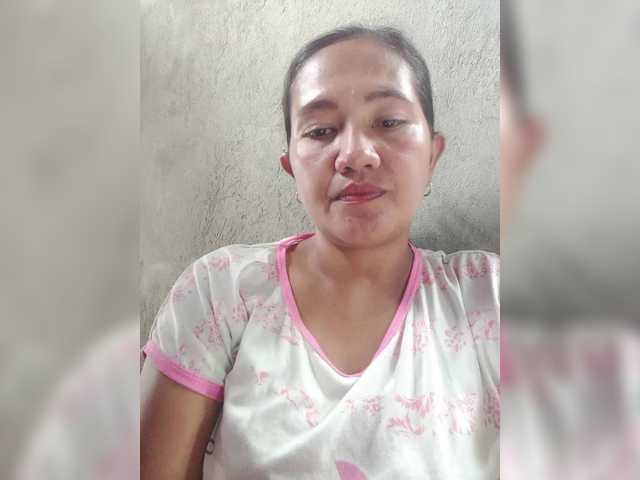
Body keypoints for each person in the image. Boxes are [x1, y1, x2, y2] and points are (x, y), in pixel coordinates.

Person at [140, 25, 499, 479]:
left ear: (432, 154)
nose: (356, 155)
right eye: (321, 130)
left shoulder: (489, 298)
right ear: (291, 166)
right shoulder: (221, 291)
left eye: (388, 122)